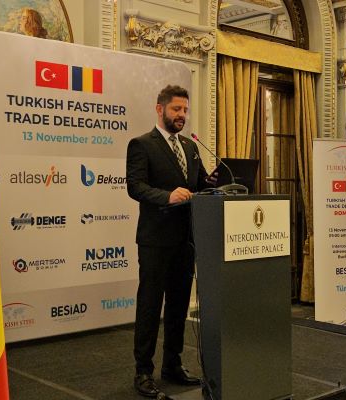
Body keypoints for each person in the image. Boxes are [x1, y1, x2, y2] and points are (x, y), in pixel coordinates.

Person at [126, 85, 215, 398]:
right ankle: (143, 372)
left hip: (186, 240)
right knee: (150, 306)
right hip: (155, 240)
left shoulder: (190, 147)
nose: (182, 115)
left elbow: (200, 184)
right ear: (160, 109)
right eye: (177, 109)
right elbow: (135, 186)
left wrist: (215, 181)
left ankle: (172, 365)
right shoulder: (142, 144)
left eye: (185, 110)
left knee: (178, 306)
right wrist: (167, 196)